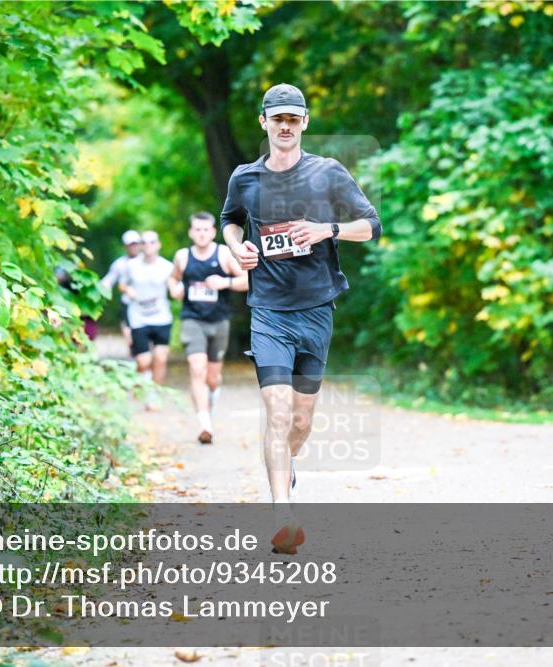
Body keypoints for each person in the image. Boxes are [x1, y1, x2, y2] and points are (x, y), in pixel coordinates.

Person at [219, 83, 381, 554]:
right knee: (277, 411)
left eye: (294, 118)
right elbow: (229, 218)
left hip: (316, 309)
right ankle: (283, 515)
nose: (286, 126)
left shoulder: (328, 174)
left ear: (304, 123)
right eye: (278, 118)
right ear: (264, 123)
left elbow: (371, 225)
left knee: (302, 421)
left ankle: (285, 466)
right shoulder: (245, 178)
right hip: (268, 310)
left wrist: (326, 229)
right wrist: (237, 246)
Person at [168, 212, 248, 444]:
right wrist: (174, 289)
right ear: (191, 232)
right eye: (197, 230)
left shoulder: (223, 254)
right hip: (192, 319)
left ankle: (210, 402)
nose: (202, 234)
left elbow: (246, 279)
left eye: (206, 230)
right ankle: (205, 425)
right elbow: (173, 280)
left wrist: (225, 282)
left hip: (219, 321)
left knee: (213, 377)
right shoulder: (183, 257)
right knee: (197, 368)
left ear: (213, 232)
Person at [120, 230, 174, 391]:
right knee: (143, 361)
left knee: (160, 358)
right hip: (138, 318)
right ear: (140, 246)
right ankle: (141, 379)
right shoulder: (131, 266)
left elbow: (175, 285)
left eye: (152, 242)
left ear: (158, 245)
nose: (148, 245)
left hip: (161, 317)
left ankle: (154, 394)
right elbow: (122, 284)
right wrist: (128, 291)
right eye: (144, 242)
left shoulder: (167, 267)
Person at [100, 230, 143, 352]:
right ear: (125, 246)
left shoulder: (146, 261)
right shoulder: (119, 264)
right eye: (130, 244)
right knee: (130, 337)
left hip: (145, 305)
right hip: (128, 305)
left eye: (135, 243)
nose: (133, 247)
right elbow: (107, 281)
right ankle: (135, 361)